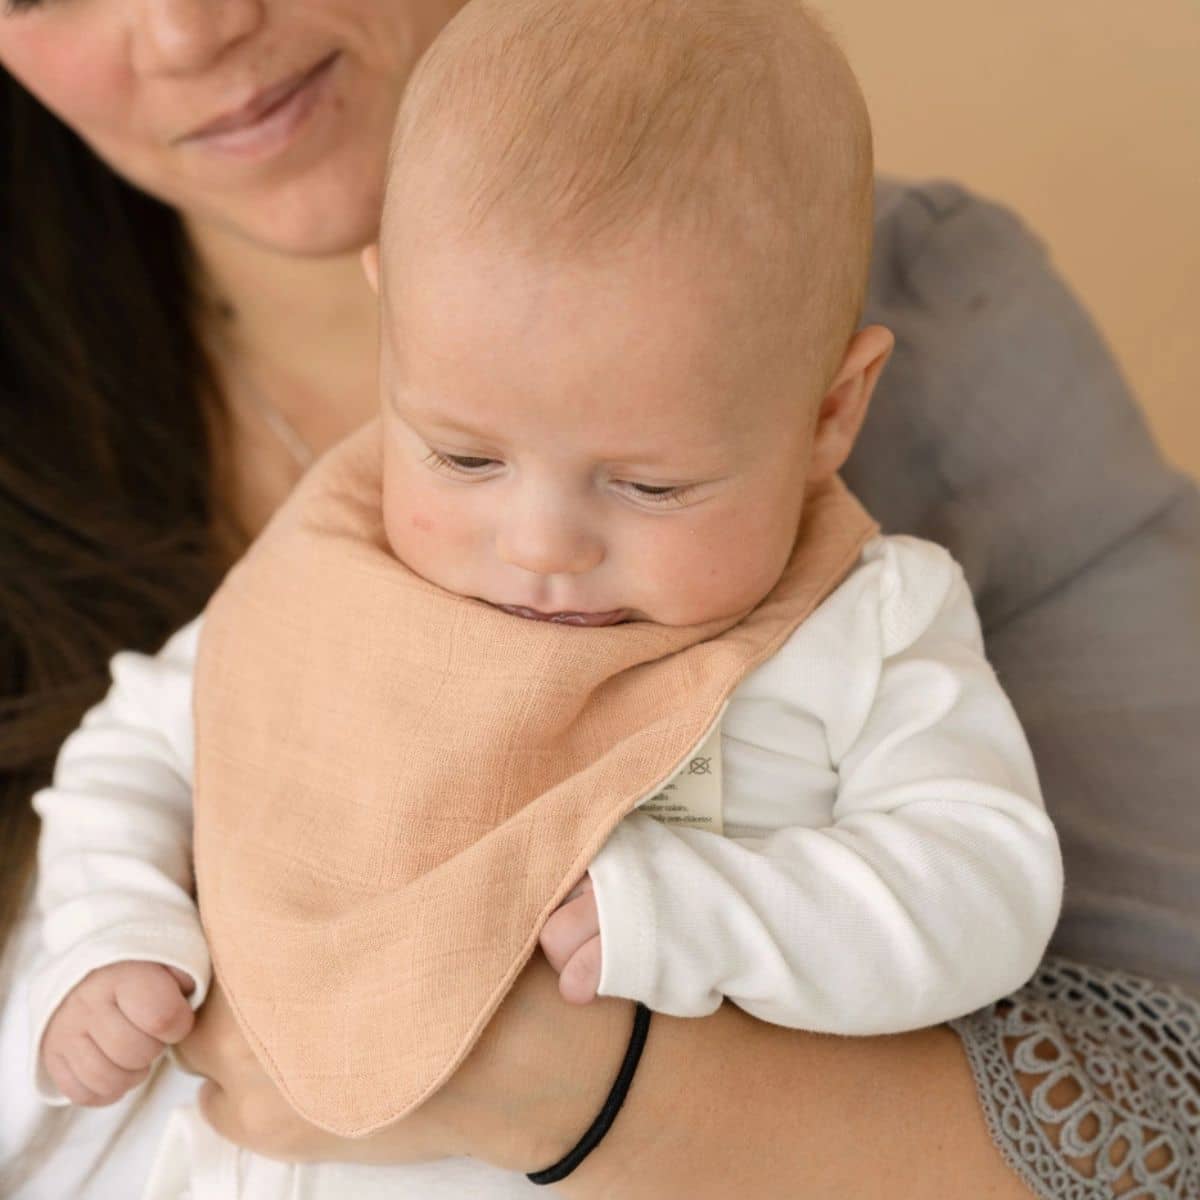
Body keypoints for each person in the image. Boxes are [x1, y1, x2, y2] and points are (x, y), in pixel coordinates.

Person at [0, 0, 1195, 1196]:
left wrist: (686, 918)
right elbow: (133, 746)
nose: (542, 546)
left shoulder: (861, 626)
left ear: (834, 411)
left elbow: (984, 884)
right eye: (464, 458)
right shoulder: (342, 568)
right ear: (393, 331)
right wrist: (116, 934)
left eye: (650, 485)